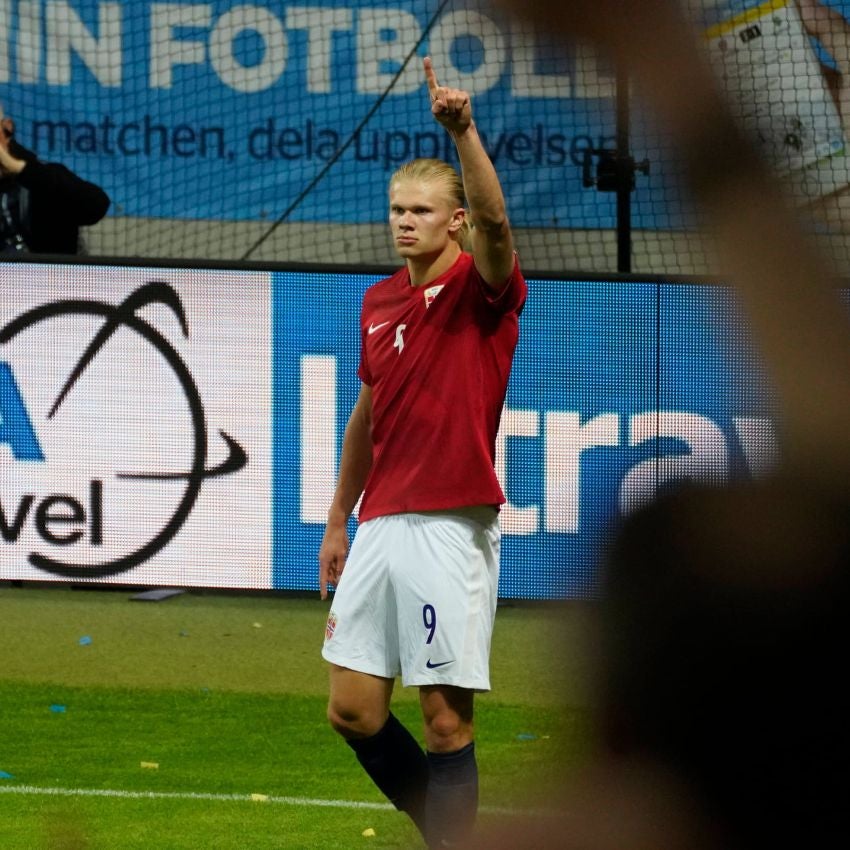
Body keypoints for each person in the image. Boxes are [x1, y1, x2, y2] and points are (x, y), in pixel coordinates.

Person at [318, 56, 527, 849]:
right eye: (398, 209)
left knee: (444, 722)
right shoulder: (378, 301)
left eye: (423, 210)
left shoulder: (485, 289)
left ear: (456, 221)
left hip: (451, 524)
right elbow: (367, 415)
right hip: (381, 525)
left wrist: (463, 131)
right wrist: (340, 518)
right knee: (353, 710)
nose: (406, 221)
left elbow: (502, 229)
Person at [0, 104, 110, 255]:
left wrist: (19, 168)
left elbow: (97, 205)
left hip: (49, 275)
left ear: (7, 128)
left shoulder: (44, 177)